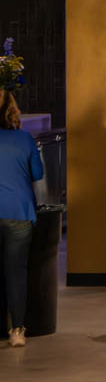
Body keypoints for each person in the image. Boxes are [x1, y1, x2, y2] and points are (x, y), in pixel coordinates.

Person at [0, 90, 44, 347]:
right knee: (16, 272)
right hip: (19, 212)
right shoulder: (25, 139)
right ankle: (17, 330)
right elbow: (37, 173)